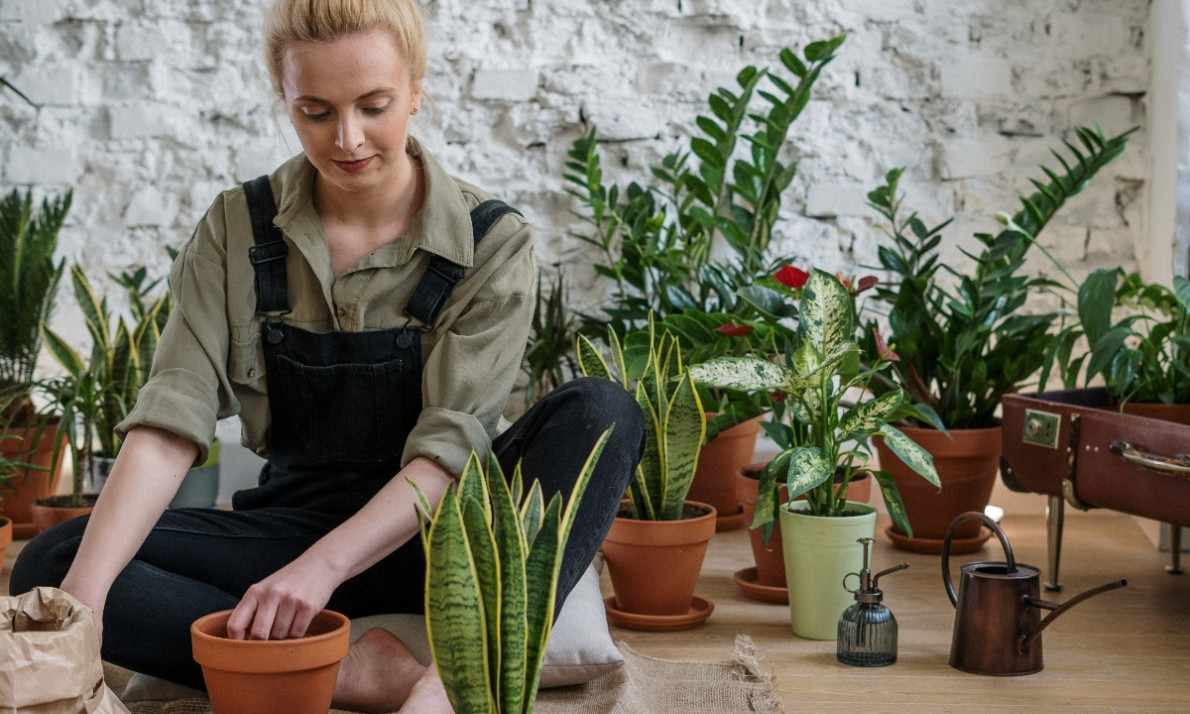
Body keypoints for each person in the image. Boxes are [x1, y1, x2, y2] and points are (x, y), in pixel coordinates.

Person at [10, 1, 645, 711]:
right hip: (288, 528)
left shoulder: (490, 241)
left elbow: (448, 453)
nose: (348, 139)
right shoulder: (235, 228)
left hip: (449, 541)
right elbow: (169, 422)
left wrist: (320, 572)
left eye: (374, 106)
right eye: (314, 112)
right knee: (55, 564)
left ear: (416, 89)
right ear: (282, 98)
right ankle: (354, 675)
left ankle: (456, 678)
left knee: (605, 409)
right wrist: (82, 612)